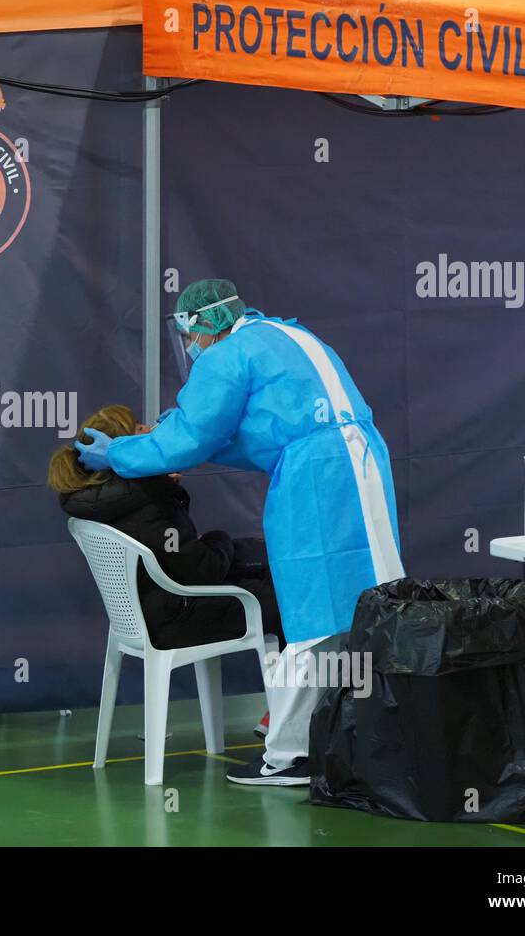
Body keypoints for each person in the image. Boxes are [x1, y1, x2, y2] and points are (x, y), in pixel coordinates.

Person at [75, 279, 404, 786]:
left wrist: (120, 453)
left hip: (317, 480)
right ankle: (371, 730)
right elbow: (261, 434)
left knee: (311, 619)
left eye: (189, 336)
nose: (189, 347)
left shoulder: (226, 354)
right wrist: (176, 436)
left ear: (201, 326)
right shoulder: (285, 336)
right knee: (364, 602)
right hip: (361, 463)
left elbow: (192, 437)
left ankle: (289, 754)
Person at [51, 404, 284, 655]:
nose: (153, 432)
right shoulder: (147, 502)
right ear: (124, 450)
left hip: (154, 613)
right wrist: (218, 538)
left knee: (263, 565)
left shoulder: (107, 499)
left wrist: (158, 481)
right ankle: (304, 691)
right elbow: (204, 570)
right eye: (143, 430)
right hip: (177, 618)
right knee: (293, 598)